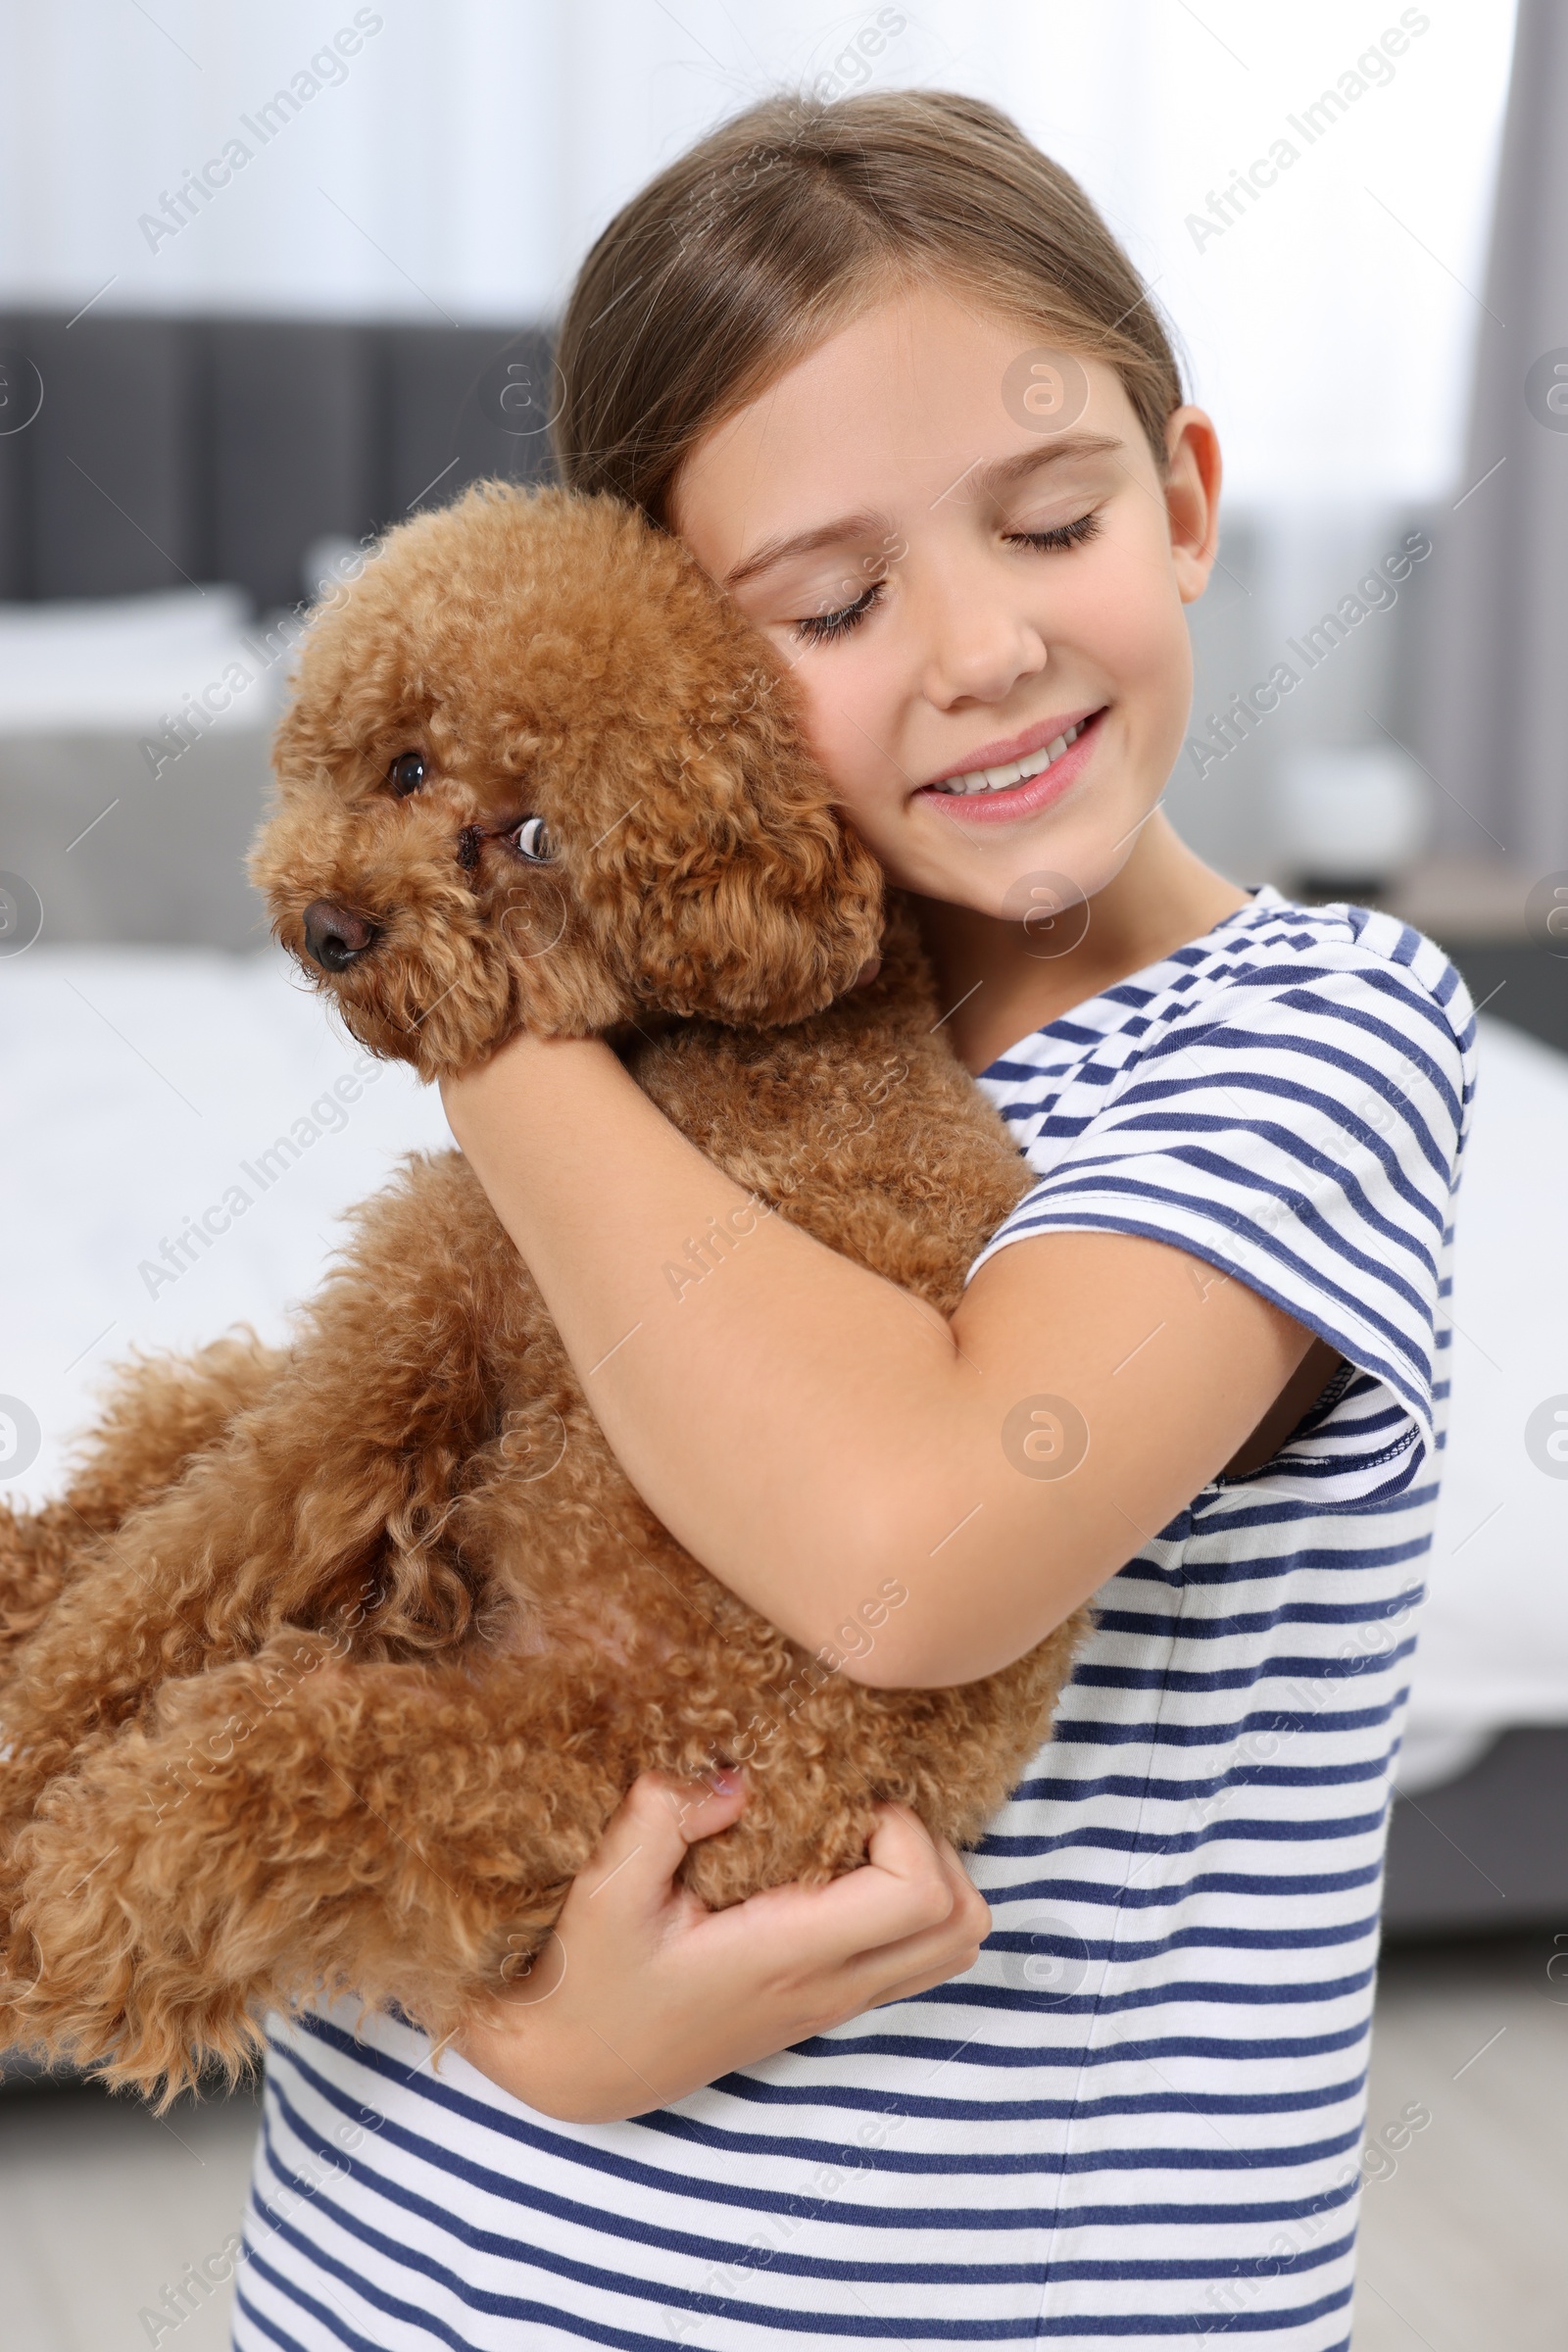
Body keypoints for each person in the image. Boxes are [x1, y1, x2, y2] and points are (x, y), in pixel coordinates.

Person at [229, 89, 1474, 2352]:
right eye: (831, 602)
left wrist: (467, 996)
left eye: (1052, 519)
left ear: (1181, 504)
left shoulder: (1312, 1036)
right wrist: (505, 2027)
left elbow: (914, 1546)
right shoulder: (642, 1073)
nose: (981, 649)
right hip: (390, 2269)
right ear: (660, 662)